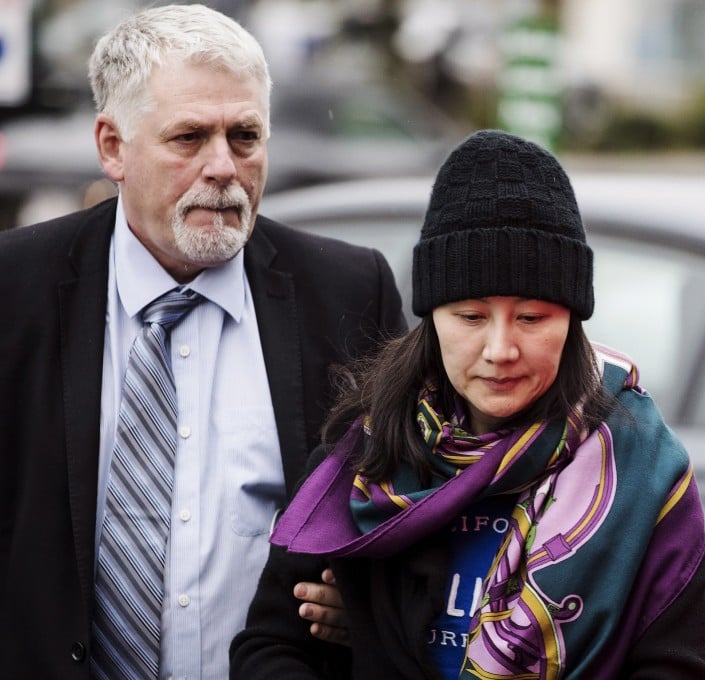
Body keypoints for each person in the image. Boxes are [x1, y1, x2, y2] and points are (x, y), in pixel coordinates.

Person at [0, 5, 405, 679]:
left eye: (244, 136)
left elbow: (406, 510)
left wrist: (365, 601)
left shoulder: (347, 291)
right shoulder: (14, 290)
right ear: (112, 147)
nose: (223, 166)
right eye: (189, 138)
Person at [230, 129, 705, 679]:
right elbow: (269, 647)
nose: (500, 350)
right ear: (431, 317)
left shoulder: (643, 473)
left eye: (532, 318)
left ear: (573, 319)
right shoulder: (368, 459)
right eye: (470, 317)